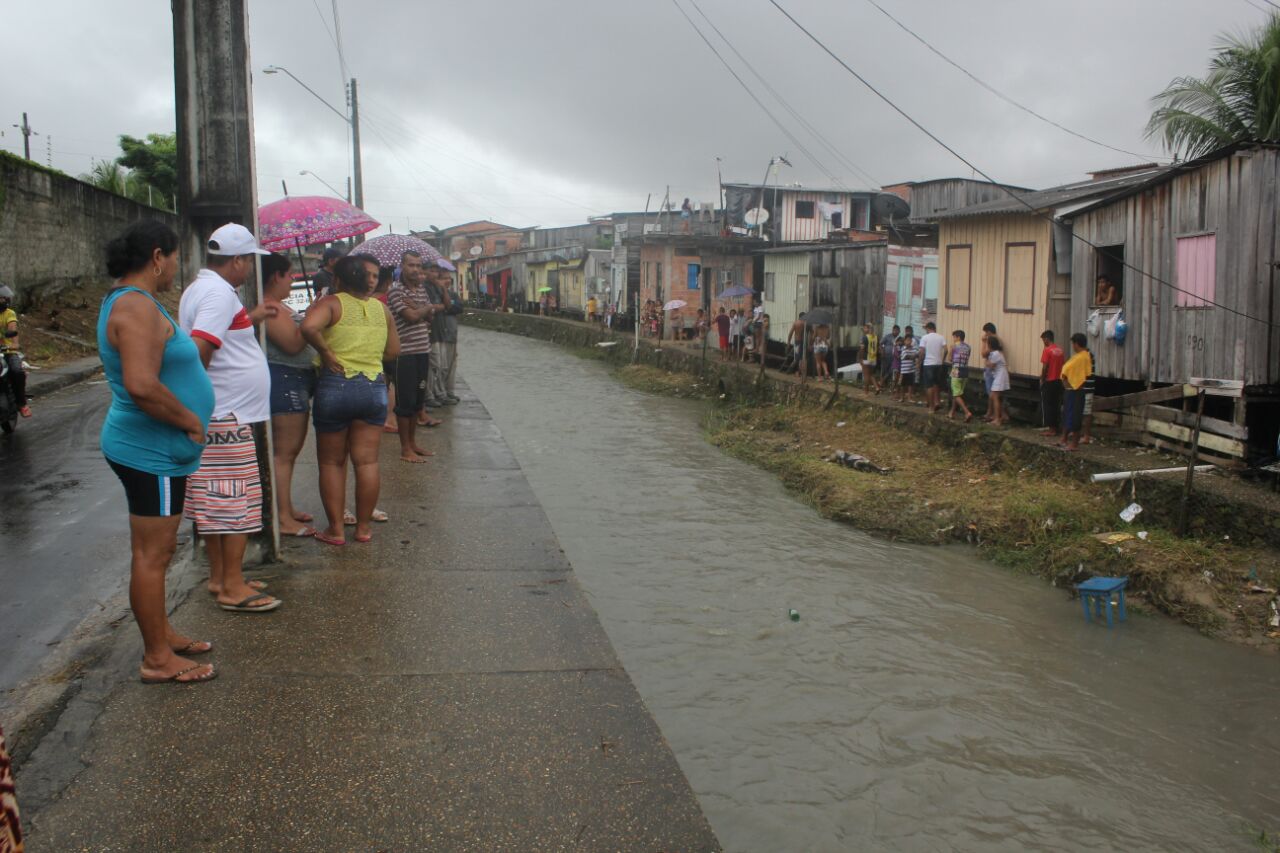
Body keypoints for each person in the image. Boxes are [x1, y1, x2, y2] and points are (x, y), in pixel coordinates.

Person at [99, 220, 217, 682]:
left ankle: (161, 632)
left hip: (155, 449)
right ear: (155, 257)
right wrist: (190, 420)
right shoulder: (135, 307)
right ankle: (157, 659)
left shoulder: (137, 303)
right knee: (153, 555)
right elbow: (142, 385)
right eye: (173, 259)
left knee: (154, 552)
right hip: (152, 452)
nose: (175, 268)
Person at [178, 223, 281, 614]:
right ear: (236, 260)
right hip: (226, 415)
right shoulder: (217, 294)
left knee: (219, 501)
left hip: (224, 412)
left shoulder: (204, 289)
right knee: (236, 503)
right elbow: (199, 348)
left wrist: (251, 316)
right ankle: (232, 587)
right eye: (248, 262)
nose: (250, 269)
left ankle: (222, 576)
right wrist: (203, 404)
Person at [302, 254, 400, 545]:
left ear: (337, 279)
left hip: (336, 385)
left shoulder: (331, 303)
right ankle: (364, 528)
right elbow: (393, 351)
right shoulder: (382, 310)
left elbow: (307, 328)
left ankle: (335, 530)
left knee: (332, 463)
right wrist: (367, 354)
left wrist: (328, 352)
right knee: (367, 462)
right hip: (373, 388)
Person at [261, 253, 318, 537]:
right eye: (289, 274)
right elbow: (293, 345)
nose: (293, 279)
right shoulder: (269, 308)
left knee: (290, 453)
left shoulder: (279, 307)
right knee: (284, 453)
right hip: (285, 381)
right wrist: (311, 321)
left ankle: (286, 507)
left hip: (295, 381)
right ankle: (282, 517)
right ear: (275, 276)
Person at [387, 251, 435, 463]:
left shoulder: (421, 289)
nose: (415, 269)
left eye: (418, 265)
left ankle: (413, 443)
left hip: (422, 351)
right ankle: (405, 448)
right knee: (404, 403)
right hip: (404, 354)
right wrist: (423, 309)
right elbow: (412, 317)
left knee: (417, 401)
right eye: (411, 265)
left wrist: (422, 308)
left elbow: (430, 317)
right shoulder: (396, 291)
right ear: (402, 267)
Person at [423, 260, 453, 407]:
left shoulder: (438, 288)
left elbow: (448, 306)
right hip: (431, 333)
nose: (435, 274)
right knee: (434, 366)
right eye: (432, 271)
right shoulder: (424, 288)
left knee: (443, 366)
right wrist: (438, 307)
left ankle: (440, 393)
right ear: (426, 272)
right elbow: (428, 307)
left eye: (437, 272)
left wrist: (444, 289)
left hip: (441, 331)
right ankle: (430, 395)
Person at [0, 284, 31, 418]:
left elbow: (12, 328)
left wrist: (14, 344)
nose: (4, 301)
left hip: (6, 351)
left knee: (17, 371)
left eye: (4, 298)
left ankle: (22, 404)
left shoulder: (9, 314)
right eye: (1, 298)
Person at [1059, 333, 1092, 451]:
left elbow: (1066, 371)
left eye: (1073, 343)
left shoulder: (1082, 357)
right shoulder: (1083, 356)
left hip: (1076, 389)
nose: (1072, 346)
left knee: (1075, 416)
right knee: (1069, 414)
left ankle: (1074, 444)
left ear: (1076, 344)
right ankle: (1065, 439)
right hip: (1072, 389)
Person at [439, 261, 463, 403]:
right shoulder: (436, 293)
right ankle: (442, 392)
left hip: (452, 336)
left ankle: (450, 391)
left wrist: (447, 306)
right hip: (441, 335)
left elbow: (459, 308)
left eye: (449, 278)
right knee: (441, 366)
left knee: (451, 365)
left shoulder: (453, 295)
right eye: (444, 278)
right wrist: (447, 306)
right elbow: (448, 308)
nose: (447, 281)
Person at [1038, 330, 1065, 438]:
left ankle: (1051, 429)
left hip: (1049, 380)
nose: (1043, 342)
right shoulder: (1060, 351)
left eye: (1043, 340)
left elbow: (1045, 367)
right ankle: (1057, 427)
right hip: (1059, 381)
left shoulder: (1047, 350)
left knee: (1048, 405)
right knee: (1056, 404)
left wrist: (1042, 379)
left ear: (1046, 339)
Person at [918, 321, 947, 413]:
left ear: (928, 328)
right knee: (936, 384)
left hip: (928, 364)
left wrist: (919, 362)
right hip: (938, 364)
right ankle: (937, 402)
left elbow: (921, 352)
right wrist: (942, 360)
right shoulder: (941, 337)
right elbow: (946, 350)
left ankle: (931, 407)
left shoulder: (924, 338)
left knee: (929, 386)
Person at [948, 329, 973, 422]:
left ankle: (967, 412)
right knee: (958, 393)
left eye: (954, 337)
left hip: (956, 370)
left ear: (958, 337)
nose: (953, 339)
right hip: (965, 371)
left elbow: (950, 359)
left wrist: (950, 350)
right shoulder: (968, 347)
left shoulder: (954, 346)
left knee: (956, 393)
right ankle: (952, 412)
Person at [986, 334, 1010, 426]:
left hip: (1000, 376)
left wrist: (987, 362)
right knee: (993, 396)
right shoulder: (997, 353)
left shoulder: (995, 353)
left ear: (990, 344)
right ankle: (1003, 416)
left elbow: (991, 365)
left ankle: (997, 419)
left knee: (995, 397)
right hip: (1000, 375)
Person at [979, 322, 998, 421]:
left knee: (991, 393)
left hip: (990, 369)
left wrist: (983, 342)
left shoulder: (991, 340)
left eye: (986, 332)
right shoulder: (997, 339)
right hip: (995, 369)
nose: (985, 335)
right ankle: (990, 412)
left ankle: (992, 413)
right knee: (992, 392)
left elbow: (983, 354)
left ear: (989, 332)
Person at [858, 323, 881, 395]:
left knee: (866, 375)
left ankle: (866, 392)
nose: (864, 330)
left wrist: (860, 358)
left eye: (865, 328)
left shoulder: (865, 337)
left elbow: (862, 349)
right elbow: (878, 348)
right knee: (871, 374)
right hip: (873, 358)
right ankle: (877, 387)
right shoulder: (876, 337)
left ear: (868, 329)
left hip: (866, 358)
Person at [897, 334, 919, 404]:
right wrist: (913, 356)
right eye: (907, 340)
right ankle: (902, 397)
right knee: (902, 385)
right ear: (904, 341)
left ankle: (909, 398)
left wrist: (913, 356)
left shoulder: (914, 349)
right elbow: (905, 356)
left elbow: (917, 355)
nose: (908, 342)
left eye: (910, 340)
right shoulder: (903, 348)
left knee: (910, 385)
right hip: (904, 371)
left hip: (911, 370)